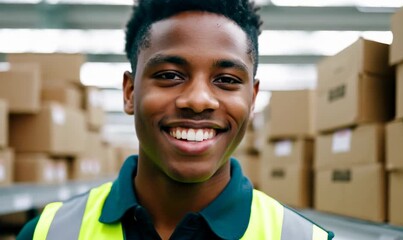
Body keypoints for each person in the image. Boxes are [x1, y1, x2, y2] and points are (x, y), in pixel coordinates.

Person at [17, 0, 334, 239]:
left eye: (225, 80)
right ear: (129, 92)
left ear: (252, 99)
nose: (198, 100)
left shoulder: (303, 237)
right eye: (169, 75)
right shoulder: (48, 232)